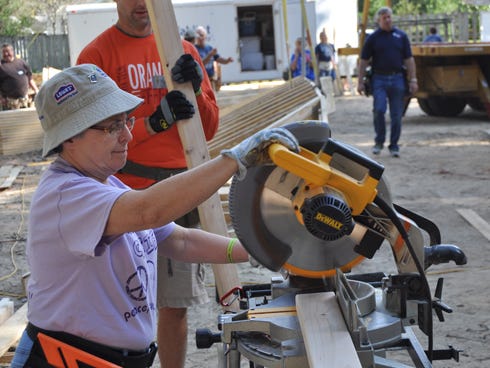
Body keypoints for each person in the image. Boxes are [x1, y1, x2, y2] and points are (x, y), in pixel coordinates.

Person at [10, 63, 299, 368]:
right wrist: (234, 160)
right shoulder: (65, 195)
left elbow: (180, 240)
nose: (126, 136)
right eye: (111, 127)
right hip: (63, 361)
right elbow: (149, 210)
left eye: (126, 121)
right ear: (69, 137)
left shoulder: (106, 181)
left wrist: (252, 249)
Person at [76, 1, 219, 366]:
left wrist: (197, 90)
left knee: (174, 307)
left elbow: (209, 128)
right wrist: (152, 123)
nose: (141, 4)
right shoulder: (97, 56)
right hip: (124, 196)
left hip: (179, 191)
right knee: (119, 306)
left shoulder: (181, 51)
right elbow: (84, 139)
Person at [357, 7, 418, 158]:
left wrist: (413, 79)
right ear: (379, 20)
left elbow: (409, 59)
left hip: (397, 78)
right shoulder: (373, 38)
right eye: (384, 17)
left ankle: (394, 145)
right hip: (379, 78)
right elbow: (363, 61)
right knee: (379, 109)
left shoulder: (401, 36)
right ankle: (379, 141)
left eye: (389, 17)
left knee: (397, 115)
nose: (388, 20)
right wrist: (360, 81)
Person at [0, 43, 38, 110]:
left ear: (12, 51)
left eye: (8, 51)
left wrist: (36, 90)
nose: (6, 54)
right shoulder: (1, 66)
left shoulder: (21, 63)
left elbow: (30, 78)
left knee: (25, 118)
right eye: (4, 52)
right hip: (10, 101)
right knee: (11, 120)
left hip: (25, 99)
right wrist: (1, 98)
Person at [194, 25, 233, 90]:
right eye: (198, 36)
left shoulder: (209, 48)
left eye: (201, 35)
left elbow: (218, 59)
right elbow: (200, 64)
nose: (200, 38)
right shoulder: (194, 49)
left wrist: (227, 60)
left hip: (210, 79)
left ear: (205, 36)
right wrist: (210, 55)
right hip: (201, 81)